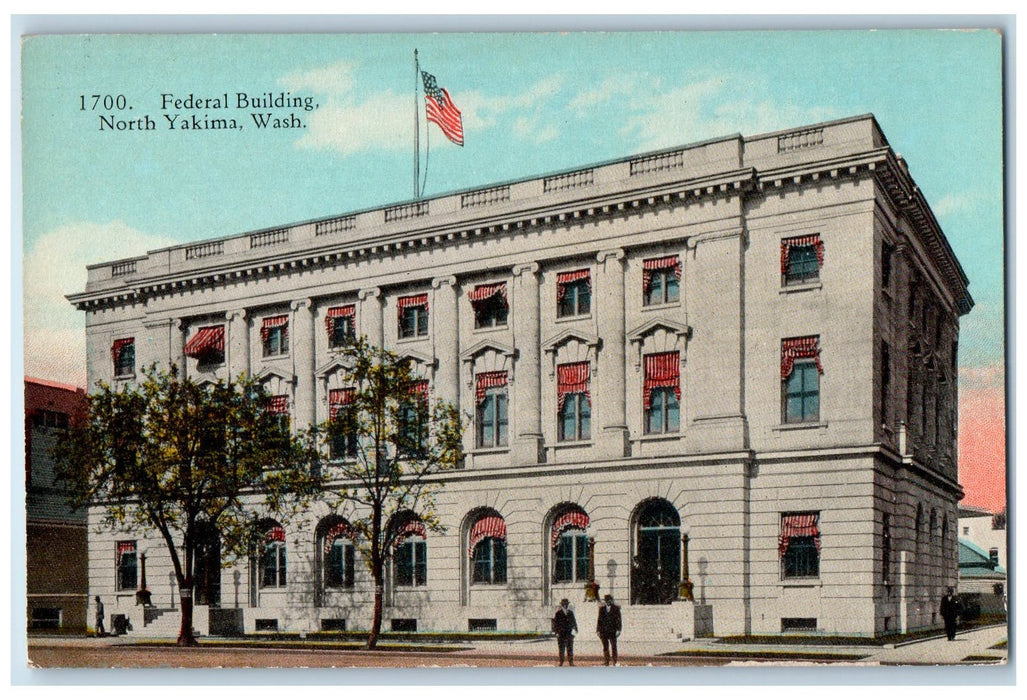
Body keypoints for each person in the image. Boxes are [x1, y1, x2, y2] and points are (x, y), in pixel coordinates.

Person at [596, 593, 622, 666]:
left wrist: (619, 630)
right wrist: (598, 630)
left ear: (612, 600)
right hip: (604, 631)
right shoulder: (602, 609)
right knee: (605, 647)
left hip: (613, 631)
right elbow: (599, 620)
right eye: (607, 600)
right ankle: (606, 661)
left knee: (614, 646)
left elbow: (619, 620)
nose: (608, 601)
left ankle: (615, 661)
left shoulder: (616, 609)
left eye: (609, 600)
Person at [551, 598, 578, 666]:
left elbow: (574, 622)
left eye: (567, 604)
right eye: (564, 604)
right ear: (562, 604)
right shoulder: (558, 613)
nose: (565, 605)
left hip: (569, 633)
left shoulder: (570, 612)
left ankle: (571, 662)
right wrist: (556, 632)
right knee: (561, 649)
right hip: (561, 633)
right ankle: (561, 662)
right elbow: (555, 623)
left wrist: (575, 630)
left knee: (570, 648)